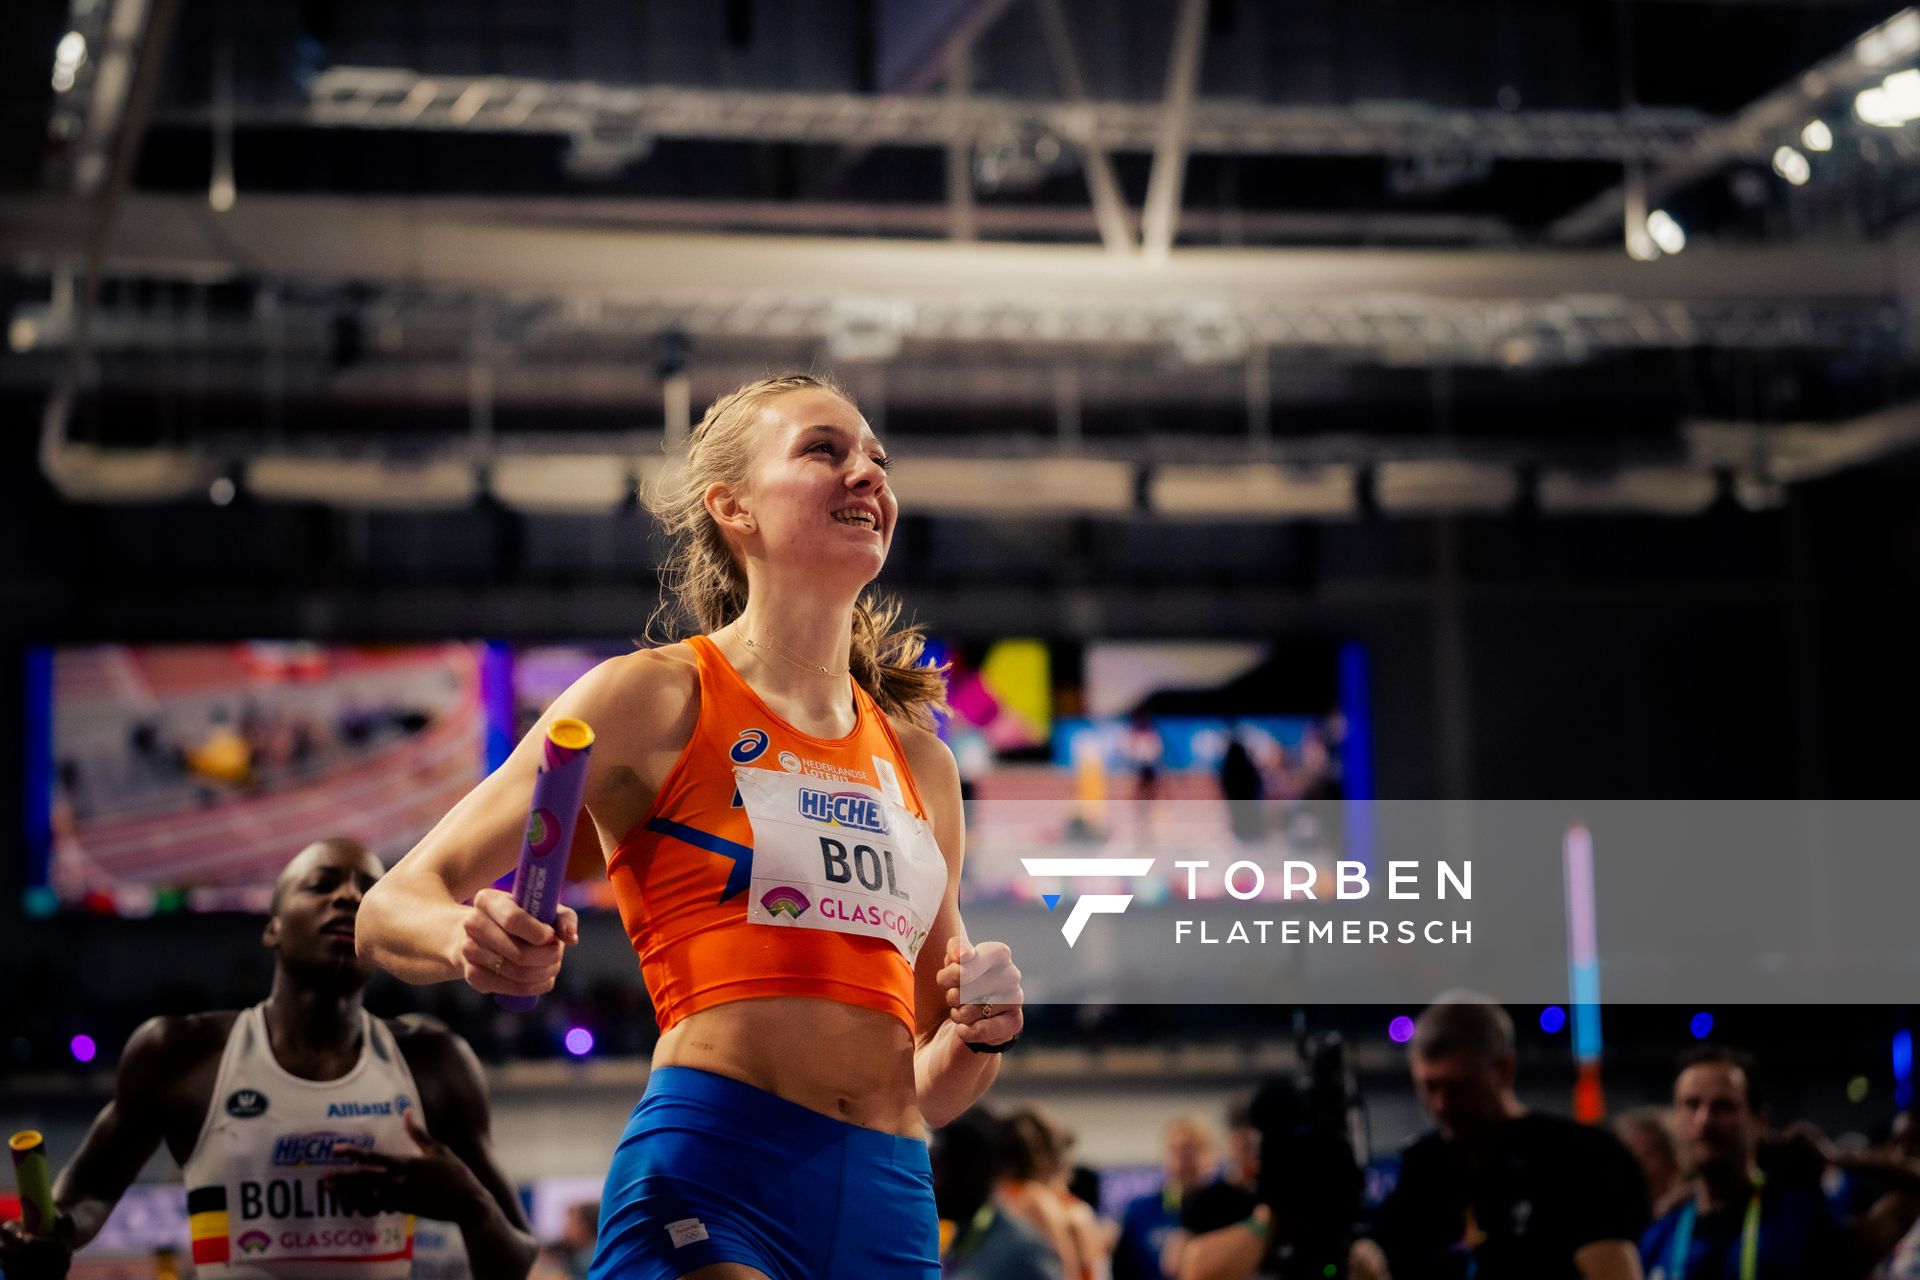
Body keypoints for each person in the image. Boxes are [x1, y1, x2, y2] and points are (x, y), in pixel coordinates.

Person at [355, 372, 1025, 1280]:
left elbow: (931, 1083)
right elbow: (391, 904)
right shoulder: (650, 698)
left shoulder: (922, 763)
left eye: (876, 458)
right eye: (823, 451)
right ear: (733, 508)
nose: (867, 475)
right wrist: (464, 935)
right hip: (717, 1173)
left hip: (890, 1194)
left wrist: (978, 1032)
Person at [0, 839, 534, 1280]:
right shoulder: (180, 1054)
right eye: (323, 885)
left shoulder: (435, 1063)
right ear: (273, 927)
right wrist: (51, 1235)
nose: (350, 897)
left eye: (369, 892)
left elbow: (516, 1258)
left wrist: (471, 1205)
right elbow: (85, 1196)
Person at [1350, 992, 1647, 1280]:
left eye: (1458, 1088)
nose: (1441, 1105)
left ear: (1504, 1069)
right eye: (1429, 1087)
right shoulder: (1422, 1166)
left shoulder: (1580, 1157)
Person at [1641, 1046, 1920, 1280]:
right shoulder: (1660, 1235)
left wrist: (1835, 1157)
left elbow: (1912, 1193)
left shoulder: (1801, 1222)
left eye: (1723, 1106)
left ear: (1758, 1119)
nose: (1704, 1120)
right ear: (1675, 1117)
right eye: (1691, 1105)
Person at [932, 1108, 1063, 1280]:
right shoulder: (965, 1234)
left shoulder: (1020, 1249)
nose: (933, 1183)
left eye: (939, 1169)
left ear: (969, 1173)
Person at [1114, 1116, 1218, 1280]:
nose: (1184, 1160)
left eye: (1191, 1150)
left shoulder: (1230, 1209)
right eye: (1177, 1151)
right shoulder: (1140, 1212)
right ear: (1165, 1155)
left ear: (1210, 1154)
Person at [1616, 1107, 1689, 1218]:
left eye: (1648, 1153)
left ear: (1673, 1163)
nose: (1637, 1163)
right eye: (1629, 1154)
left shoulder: (1685, 1216)